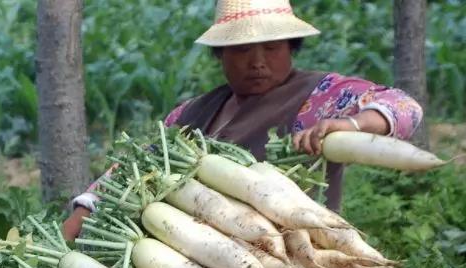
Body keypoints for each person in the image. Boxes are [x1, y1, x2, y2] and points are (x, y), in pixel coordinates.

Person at [63, 0, 423, 240]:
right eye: (241, 49)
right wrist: (74, 224)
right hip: (190, 264)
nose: (257, 61)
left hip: (287, 255)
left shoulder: (318, 95)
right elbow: (129, 172)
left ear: (291, 49)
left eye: (271, 48)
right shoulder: (191, 113)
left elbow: (403, 108)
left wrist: (353, 125)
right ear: (221, 55)